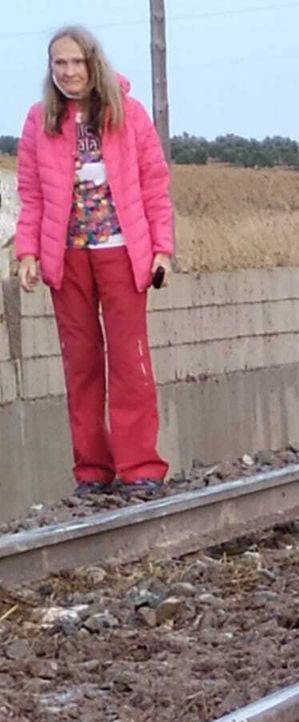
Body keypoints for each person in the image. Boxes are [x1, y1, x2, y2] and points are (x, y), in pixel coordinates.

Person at [15, 26, 174, 498]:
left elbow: (154, 186)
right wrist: (27, 252)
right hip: (66, 258)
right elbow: (32, 195)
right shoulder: (38, 121)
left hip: (123, 254)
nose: (68, 72)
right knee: (80, 365)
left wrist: (162, 248)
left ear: (92, 63)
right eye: (59, 63)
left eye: (76, 62)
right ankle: (92, 471)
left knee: (130, 362)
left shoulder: (130, 115)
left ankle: (140, 467)